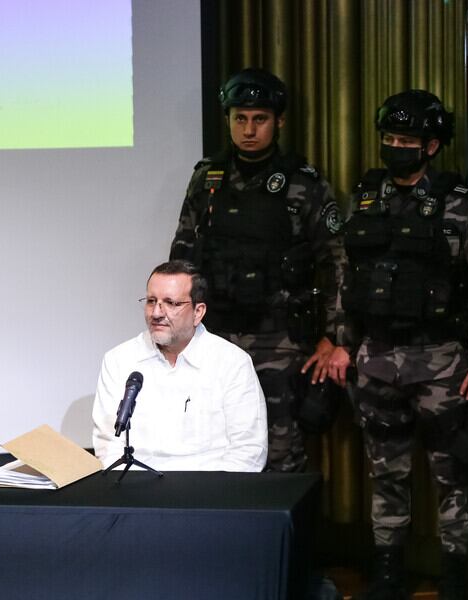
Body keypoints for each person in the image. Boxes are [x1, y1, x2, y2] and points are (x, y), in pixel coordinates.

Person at [326, 90, 468, 599]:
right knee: (387, 474)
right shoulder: (363, 198)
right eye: (389, 138)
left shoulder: (462, 206)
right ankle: (387, 573)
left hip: (440, 361)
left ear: (432, 146)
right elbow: (344, 276)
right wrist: (340, 342)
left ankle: (455, 575)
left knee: (452, 476)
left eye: (407, 140)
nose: (396, 147)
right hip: (375, 359)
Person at [169, 67, 345, 472]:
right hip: (215, 336)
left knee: (281, 451)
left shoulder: (304, 184)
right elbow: (182, 258)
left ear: (279, 121)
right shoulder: (207, 179)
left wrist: (332, 336)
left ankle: (287, 536)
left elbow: (337, 264)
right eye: (240, 118)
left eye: (260, 119)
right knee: (213, 445)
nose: (249, 129)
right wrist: (179, 331)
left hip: (280, 339)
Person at [92, 260, 268, 472]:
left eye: (171, 303)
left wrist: (207, 497)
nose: (156, 313)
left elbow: (249, 451)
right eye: (151, 301)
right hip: (137, 493)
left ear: (198, 312)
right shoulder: (119, 360)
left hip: (209, 495)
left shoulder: (232, 363)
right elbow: (108, 446)